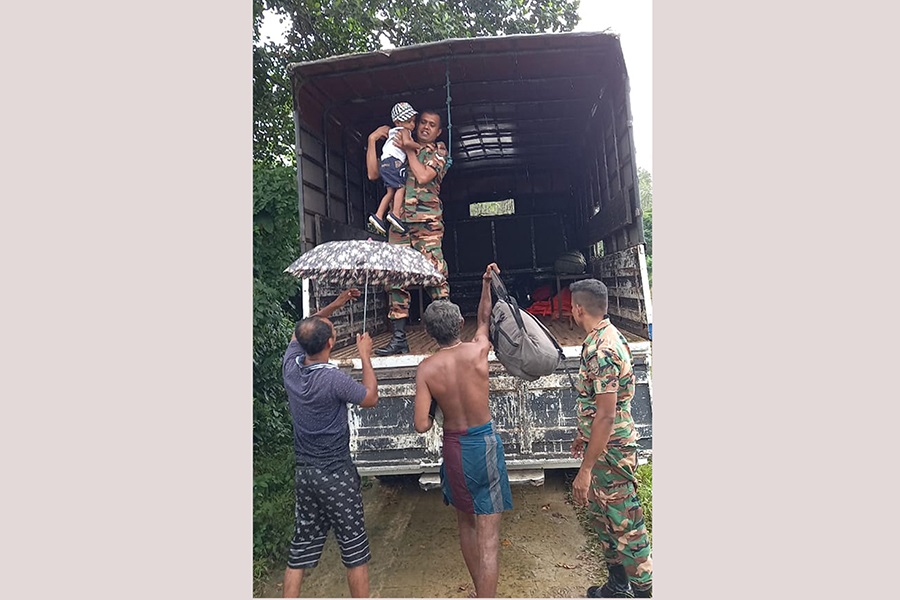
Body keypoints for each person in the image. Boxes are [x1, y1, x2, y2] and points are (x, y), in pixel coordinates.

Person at [412, 262, 513, 598]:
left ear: (429, 333)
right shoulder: (478, 350)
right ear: (459, 324)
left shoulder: (426, 369)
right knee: (490, 540)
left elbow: (421, 424)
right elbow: (484, 320)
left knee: (466, 525)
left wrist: (437, 408)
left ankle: (478, 590)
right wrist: (486, 282)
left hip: (455, 449)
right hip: (484, 443)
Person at [281, 288, 379, 598]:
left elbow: (305, 327)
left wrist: (335, 305)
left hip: (305, 474)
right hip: (335, 474)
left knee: (300, 549)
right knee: (354, 548)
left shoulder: (291, 369)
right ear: (331, 344)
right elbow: (370, 398)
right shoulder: (333, 380)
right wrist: (365, 356)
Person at [568, 279, 653, 598]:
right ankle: (619, 585)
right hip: (602, 443)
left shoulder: (602, 348)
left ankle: (645, 590)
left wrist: (585, 470)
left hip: (612, 450)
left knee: (625, 522)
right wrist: (583, 435)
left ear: (578, 308)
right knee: (604, 516)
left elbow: (606, 413)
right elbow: (597, 406)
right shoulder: (604, 336)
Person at [366, 109, 451, 356]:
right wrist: (372, 140)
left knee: (435, 275)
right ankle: (399, 339)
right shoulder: (399, 145)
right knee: (394, 279)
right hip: (400, 224)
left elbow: (424, 176)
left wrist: (409, 148)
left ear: (438, 131)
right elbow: (374, 174)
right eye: (422, 122)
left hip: (427, 225)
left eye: (431, 125)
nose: (425, 127)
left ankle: (448, 337)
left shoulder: (439, 151)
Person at [367, 101, 422, 237]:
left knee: (390, 191)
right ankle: (395, 213)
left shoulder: (391, 133)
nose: (412, 125)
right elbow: (407, 143)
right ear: (398, 122)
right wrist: (419, 147)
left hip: (386, 164)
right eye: (409, 121)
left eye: (413, 121)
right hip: (394, 163)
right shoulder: (404, 131)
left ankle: (379, 216)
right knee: (400, 187)